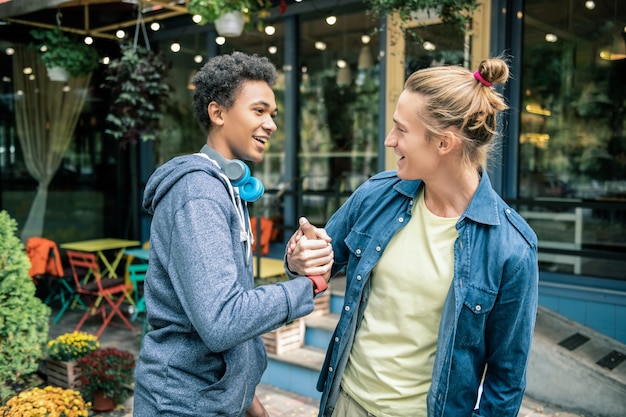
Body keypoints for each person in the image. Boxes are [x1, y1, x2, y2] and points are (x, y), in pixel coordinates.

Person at [286, 57, 539, 417]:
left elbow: (507, 379)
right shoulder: (376, 195)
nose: (390, 141)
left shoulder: (512, 247)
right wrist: (300, 260)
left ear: (443, 143)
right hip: (344, 403)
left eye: (401, 130)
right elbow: (318, 265)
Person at [133, 52, 333, 417]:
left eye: (272, 114)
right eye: (259, 111)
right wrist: (310, 286)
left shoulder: (226, 187)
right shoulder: (198, 194)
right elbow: (223, 321)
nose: (271, 124)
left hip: (217, 399)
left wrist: (246, 400)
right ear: (218, 113)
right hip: (181, 406)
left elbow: (224, 311)